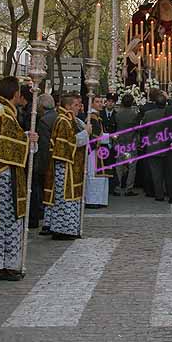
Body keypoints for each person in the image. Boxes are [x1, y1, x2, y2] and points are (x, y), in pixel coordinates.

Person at [0, 76, 37, 281]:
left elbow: (10, 138)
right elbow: (5, 147)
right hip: (3, 177)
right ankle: (0, 266)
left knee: (8, 222)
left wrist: (26, 137)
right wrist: (27, 139)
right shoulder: (3, 113)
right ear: (16, 95)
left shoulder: (4, 112)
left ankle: (5, 264)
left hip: (6, 175)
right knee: (4, 222)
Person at [43, 94, 89, 239]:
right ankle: (62, 229)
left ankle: (68, 228)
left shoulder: (71, 119)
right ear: (68, 106)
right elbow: (67, 144)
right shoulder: (62, 120)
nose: (79, 108)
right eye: (76, 105)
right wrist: (85, 133)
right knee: (64, 198)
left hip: (72, 166)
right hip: (65, 166)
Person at [36, 94, 58, 235]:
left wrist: (42, 167)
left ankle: (47, 222)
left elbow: (44, 146)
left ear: (41, 106)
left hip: (49, 161)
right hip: (59, 159)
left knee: (47, 193)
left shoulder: (44, 121)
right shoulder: (59, 117)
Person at [85, 95, 112, 208]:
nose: (100, 104)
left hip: (100, 151)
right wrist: (109, 136)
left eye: (101, 102)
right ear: (91, 103)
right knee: (93, 175)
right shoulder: (91, 117)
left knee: (101, 176)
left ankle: (100, 200)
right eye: (97, 102)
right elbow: (93, 136)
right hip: (93, 152)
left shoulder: (97, 116)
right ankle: (92, 201)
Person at [141, 92, 169, 201]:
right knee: (168, 171)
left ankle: (159, 194)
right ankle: (168, 191)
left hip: (153, 145)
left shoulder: (149, 114)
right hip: (166, 145)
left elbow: (143, 128)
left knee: (156, 172)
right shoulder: (169, 113)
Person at [114, 93, 139, 197]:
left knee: (119, 165)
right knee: (132, 166)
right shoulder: (134, 114)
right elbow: (137, 128)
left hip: (120, 141)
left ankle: (117, 187)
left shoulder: (117, 114)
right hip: (131, 142)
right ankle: (129, 188)